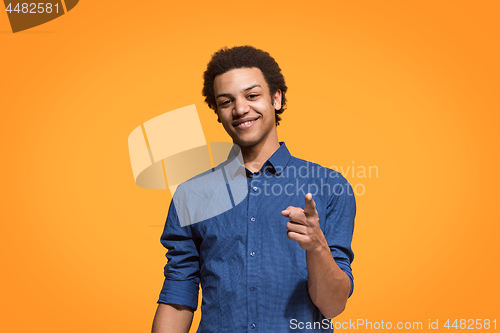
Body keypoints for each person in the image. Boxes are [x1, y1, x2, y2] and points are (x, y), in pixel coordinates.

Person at [152, 46, 356, 333]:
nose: (240, 109)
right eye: (226, 101)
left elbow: (333, 306)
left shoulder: (331, 187)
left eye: (252, 95)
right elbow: (178, 292)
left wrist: (317, 247)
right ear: (218, 112)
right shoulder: (192, 194)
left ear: (276, 98)